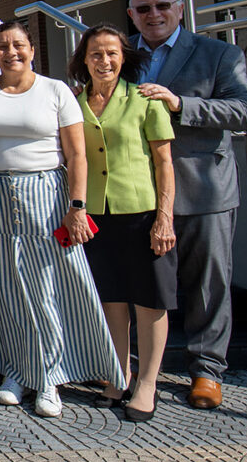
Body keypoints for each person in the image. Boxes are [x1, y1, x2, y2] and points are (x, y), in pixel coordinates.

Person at [0, 21, 125, 418]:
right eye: (2, 46)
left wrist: (77, 206)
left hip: (47, 197)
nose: (10, 52)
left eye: (18, 45)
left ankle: (50, 375)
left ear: (32, 48)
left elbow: (77, 155)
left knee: (49, 289)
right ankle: (17, 370)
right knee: (7, 289)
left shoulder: (55, 90)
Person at [127, 0, 247, 410]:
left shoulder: (217, 53)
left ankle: (206, 370)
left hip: (202, 187)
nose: (153, 14)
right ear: (132, 15)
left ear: (180, 10)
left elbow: (244, 111)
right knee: (145, 283)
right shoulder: (120, 54)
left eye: (163, 6)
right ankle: (141, 366)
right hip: (139, 191)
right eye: (143, 8)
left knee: (207, 284)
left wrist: (180, 104)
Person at [70, 23, 176, 422]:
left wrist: (164, 217)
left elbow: (164, 164)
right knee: (111, 299)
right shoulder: (76, 101)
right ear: (84, 59)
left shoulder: (146, 100)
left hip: (143, 212)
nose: (104, 60)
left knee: (149, 300)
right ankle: (120, 373)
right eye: (96, 53)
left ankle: (147, 382)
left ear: (124, 57)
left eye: (112, 53)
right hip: (97, 215)